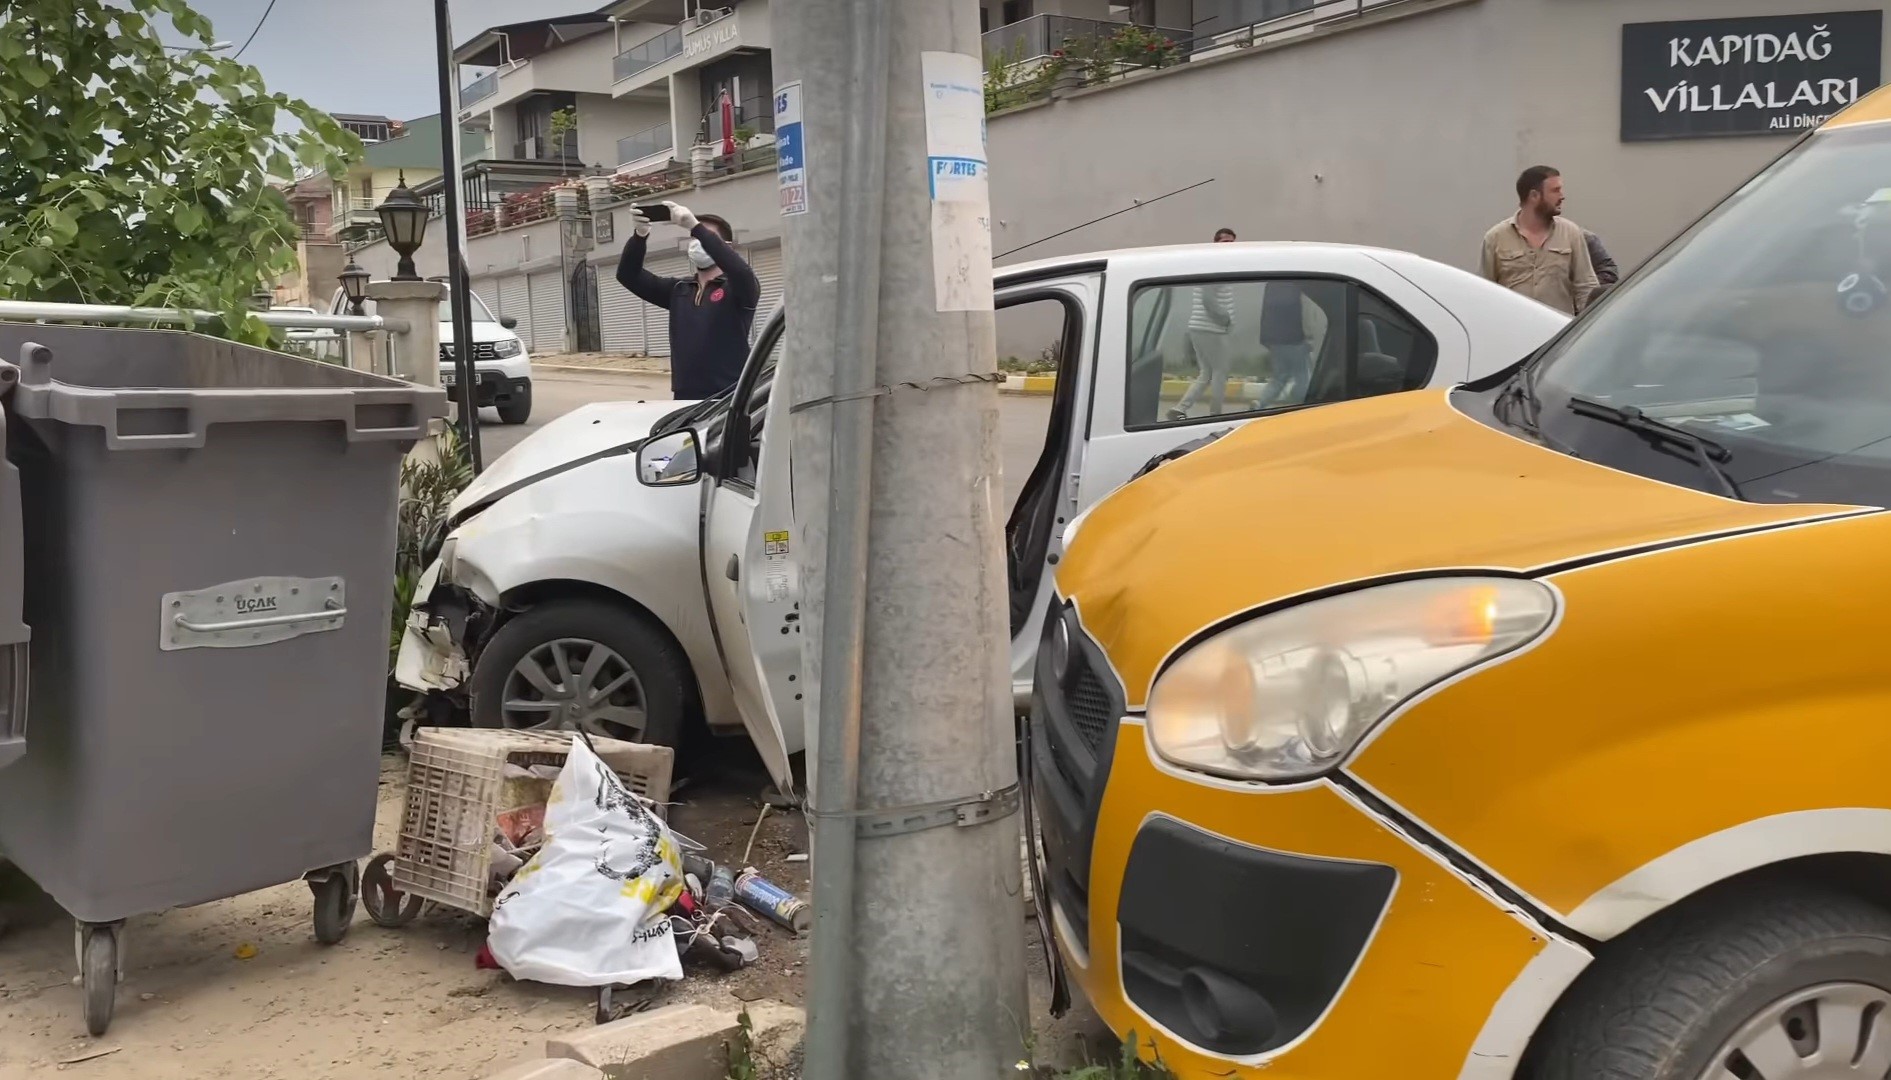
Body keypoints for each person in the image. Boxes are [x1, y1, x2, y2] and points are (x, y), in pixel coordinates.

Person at [616, 201, 759, 399]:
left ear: (725, 247)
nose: (697, 241)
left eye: (703, 236)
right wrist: (639, 237)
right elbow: (628, 275)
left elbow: (740, 270)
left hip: (728, 396)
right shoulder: (679, 290)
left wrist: (696, 227)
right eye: (693, 237)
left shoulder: (738, 288)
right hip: (684, 396)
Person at [1481, 166, 1599, 316]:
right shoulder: (1496, 238)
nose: (1562, 196)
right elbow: (1485, 291)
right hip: (1513, 331)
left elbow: (1586, 287)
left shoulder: (1571, 233)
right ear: (1534, 196)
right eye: (1555, 190)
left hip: (1558, 333)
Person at [1169, 227, 1239, 420]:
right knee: (1220, 372)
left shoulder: (1211, 263)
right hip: (1212, 329)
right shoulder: (1216, 265)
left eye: (1232, 242)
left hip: (1200, 327)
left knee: (1206, 372)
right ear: (1215, 243)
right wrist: (1225, 319)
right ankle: (1216, 414)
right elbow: (1208, 298)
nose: (1230, 246)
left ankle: (1180, 408)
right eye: (1225, 242)